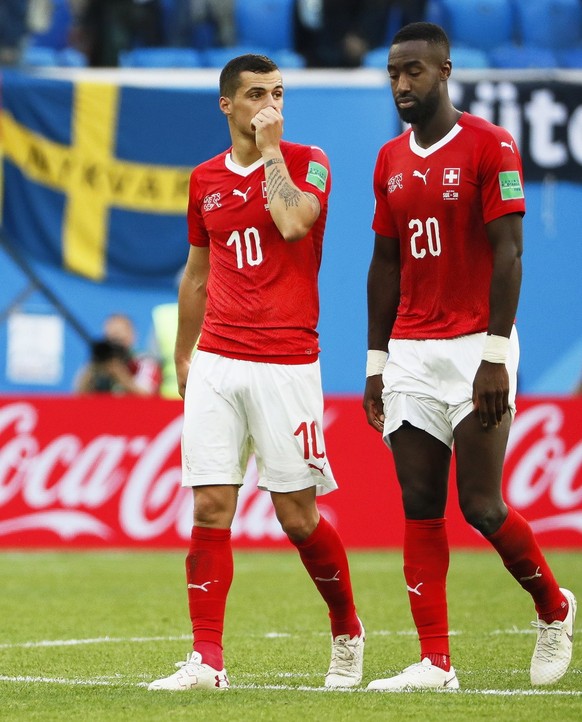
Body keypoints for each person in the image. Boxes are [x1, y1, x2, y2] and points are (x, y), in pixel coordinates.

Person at [363, 22, 576, 691]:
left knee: (481, 506)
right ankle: (434, 662)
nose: (402, 83)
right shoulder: (389, 159)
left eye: (414, 71)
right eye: (394, 72)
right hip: (411, 354)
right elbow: (386, 263)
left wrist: (492, 353)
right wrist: (375, 360)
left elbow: (510, 253)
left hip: (475, 349)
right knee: (419, 503)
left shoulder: (490, 145)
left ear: (446, 71)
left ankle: (553, 606)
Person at [147, 53, 365, 692]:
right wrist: (185, 354)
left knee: (297, 518)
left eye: (277, 93)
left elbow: (295, 222)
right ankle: (205, 660)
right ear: (226, 105)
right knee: (211, 505)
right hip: (217, 357)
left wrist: (271, 151)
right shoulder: (203, 180)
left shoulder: (310, 160)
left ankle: (347, 629)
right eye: (254, 95)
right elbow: (197, 273)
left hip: (286, 362)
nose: (269, 104)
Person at [75, 313, 161, 395]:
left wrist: (118, 373)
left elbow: (146, 394)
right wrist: (93, 367)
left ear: (132, 335)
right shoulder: (102, 362)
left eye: (119, 339)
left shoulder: (143, 361)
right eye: (111, 339)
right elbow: (79, 393)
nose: (115, 344)